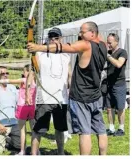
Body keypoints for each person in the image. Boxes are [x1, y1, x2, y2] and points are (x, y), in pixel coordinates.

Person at [27, 21, 108, 155]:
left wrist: (37, 47)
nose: (80, 35)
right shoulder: (103, 45)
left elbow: (63, 48)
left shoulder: (85, 45)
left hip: (81, 97)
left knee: (84, 132)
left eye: (82, 32)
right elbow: (33, 71)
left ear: (92, 33)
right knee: (101, 130)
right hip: (95, 95)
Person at [28, 27, 71, 155]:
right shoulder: (40, 53)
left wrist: (72, 86)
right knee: (38, 129)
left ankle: (61, 153)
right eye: (51, 37)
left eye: (56, 37)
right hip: (44, 97)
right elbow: (32, 72)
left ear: (61, 39)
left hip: (61, 98)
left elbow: (70, 74)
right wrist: (28, 92)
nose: (53, 39)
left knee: (60, 129)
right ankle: (34, 154)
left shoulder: (65, 54)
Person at [0, 64, 36, 155]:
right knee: (31, 131)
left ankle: (29, 150)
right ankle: (31, 151)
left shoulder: (22, 82)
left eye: (24, 72)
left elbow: (10, 80)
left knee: (31, 130)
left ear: (29, 72)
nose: (23, 74)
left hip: (25, 109)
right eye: (2, 73)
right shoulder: (33, 82)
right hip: (4, 121)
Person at [106, 33, 128, 136]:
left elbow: (119, 64)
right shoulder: (109, 52)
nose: (108, 44)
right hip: (109, 84)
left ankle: (121, 129)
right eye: (107, 42)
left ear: (116, 42)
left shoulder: (122, 52)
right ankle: (111, 128)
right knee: (109, 108)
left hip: (119, 84)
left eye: (110, 42)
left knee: (120, 107)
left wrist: (108, 56)